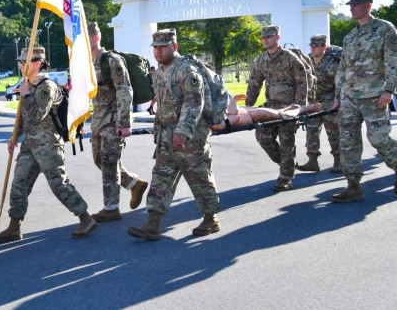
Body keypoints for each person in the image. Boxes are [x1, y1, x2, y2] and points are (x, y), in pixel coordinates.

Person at [0, 47, 97, 242]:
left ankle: (86, 218)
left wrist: (28, 94)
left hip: (48, 146)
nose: (21, 65)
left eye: (25, 62)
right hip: (30, 144)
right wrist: (14, 135)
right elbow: (23, 116)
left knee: (59, 185)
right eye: (20, 62)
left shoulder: (46, 86)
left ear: (38, 63)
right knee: (19, 184)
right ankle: (14, 227)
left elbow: (38, 114)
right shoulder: (28, 84)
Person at [128, 29, 221, 240]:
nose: (158, 52)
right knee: (160, 177)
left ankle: (211, 218)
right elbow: (162, 104)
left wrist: (183, 132)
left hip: (190, 137)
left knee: (199, 177)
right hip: (167, 136)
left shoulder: (186, 70)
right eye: (155, 48)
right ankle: (152, 222)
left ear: (174, 47)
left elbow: (194, 103)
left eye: (163, 47)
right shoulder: (161, 71)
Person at [331, 0, 397, 202]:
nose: (351, 8)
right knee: (348, 142)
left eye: (356, 5)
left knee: (378, 138)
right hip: (349, 97)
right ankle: (353, 186)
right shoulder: (349, 36)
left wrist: (389, 90)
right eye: (350, 5)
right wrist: (337, 96)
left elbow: (393, 60)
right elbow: (343, 68)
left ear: (368, 5)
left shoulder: (384, 29)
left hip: (374, 95)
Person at [86, 21, 148, 222]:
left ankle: (111, 208)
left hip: (113, 120)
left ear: (96, 37)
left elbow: (124, 89)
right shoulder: (86, 63)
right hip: (98, 120)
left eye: (85, 39)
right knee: (99, 161)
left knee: (109, 163)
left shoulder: (112, 60)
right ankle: (134, 184)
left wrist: (124, 122)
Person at [246, 25, 308, 191]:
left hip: (289, 108)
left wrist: (299, 106)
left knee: (286, 142)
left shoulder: (290, 58)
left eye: (269, 36)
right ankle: (287, 164)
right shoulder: (261, 60)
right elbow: (254, 83)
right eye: (263, 37)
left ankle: (285, 177)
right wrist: (248, 105)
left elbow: (302, 81)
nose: (266, 39)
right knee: (263, 137)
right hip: (271, 107)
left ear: (277, 37)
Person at [296, 35, 342, 173]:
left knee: (333, 132)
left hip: (330, 101)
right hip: (314, 101)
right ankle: (312, 161)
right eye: (312, 46)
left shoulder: (333, 63)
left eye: (316, 46)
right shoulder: (308, 60)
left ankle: (339, 161)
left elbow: (340, 83)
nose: (313, 48)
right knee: (311, 130)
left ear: (324, 47)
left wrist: (337, 101)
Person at [210, 93, 321, 132]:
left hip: (246, 109)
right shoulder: (215, 124)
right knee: (282, 116)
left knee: (275, 112)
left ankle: (289, 108)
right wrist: (233, 109)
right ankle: (303, 109)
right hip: (252, 116)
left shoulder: (210, 112)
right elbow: (236, 118)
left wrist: (232, 102)